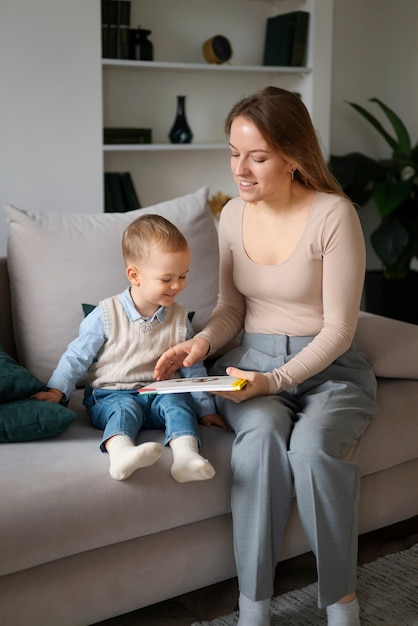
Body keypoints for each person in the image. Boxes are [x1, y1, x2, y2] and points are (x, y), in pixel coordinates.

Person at [154, 87, 379, 625]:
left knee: (313, 452)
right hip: (250, 363)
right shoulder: (231, 215)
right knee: (256, 449)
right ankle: (253, 607)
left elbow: (340, 330)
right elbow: (230, 307)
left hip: (329, 370)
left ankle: (340, 602)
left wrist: (276, 380)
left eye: (257, 156)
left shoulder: (334, 216)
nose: (241, 169)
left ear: (294, 157)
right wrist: (200, 344)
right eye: (234, 153)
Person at [33, 214, 229, 482]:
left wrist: (207, 410)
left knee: (178, 403)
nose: (178, 285)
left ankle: (186, 457)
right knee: (124, 409)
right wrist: (56, 390)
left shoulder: (181, 320)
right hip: (111, 395)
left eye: (183, 276)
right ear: (135, 275)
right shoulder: (105, 314)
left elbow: (193, 369)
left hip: (160, 394)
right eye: (167, 278)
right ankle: (122, 454)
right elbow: (77, 357)